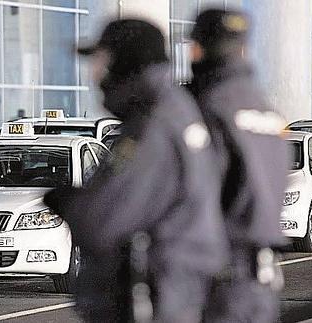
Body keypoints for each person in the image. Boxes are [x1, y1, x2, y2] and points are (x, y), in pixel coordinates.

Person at [44, 19, 228, 322]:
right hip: (178, 292)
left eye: (101, 61)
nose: (94, 74)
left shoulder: (152, 125)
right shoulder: (176, 109)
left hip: (157, 299)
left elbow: (101, 221)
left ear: (124, 62)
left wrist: (69, 203)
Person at [187, 9, 288, 323]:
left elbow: (191, 194)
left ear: (196, 48)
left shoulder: (207, 105)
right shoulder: (268, 112)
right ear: (243, 48)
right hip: (261, 280)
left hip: (218, 280)